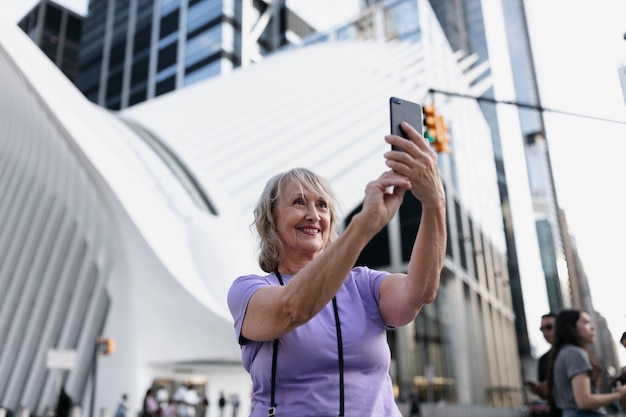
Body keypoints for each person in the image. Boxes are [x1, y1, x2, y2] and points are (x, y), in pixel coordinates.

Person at [227, 121, 446, 416]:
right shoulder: (250, 290)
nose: (313, 215)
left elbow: (418, 293)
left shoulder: (364, 284)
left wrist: (434, 203)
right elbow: (292, 308)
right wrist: (364, 226)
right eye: (299, 202)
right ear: (271, 221)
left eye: (322, 205)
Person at [547, 309, 626, 417]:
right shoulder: (575, 353)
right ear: (571, 327)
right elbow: (584, 401)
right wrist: (618, 394)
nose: (593, 327)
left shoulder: (563, 353)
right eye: (586, 323)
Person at [528, 313, 561, 416]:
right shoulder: (543, 359)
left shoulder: (572, 352)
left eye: (549, 327)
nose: (545, 332)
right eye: (542, 329)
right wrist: (539, 390)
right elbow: (546, 396)